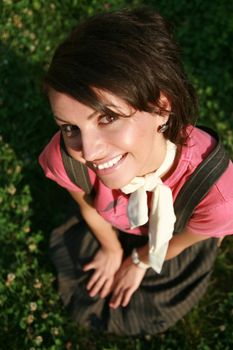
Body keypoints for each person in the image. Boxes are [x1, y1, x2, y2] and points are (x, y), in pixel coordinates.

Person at [39, 8, 233, 335]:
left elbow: (191, 236)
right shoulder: (66, 159)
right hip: (115, 225)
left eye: (107, 118)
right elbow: (87, 204)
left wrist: (141, 260)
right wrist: (112, 248)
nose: (88, 151)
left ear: (161, 108)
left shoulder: (218, 197)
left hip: (174, 235)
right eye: (70, 127)